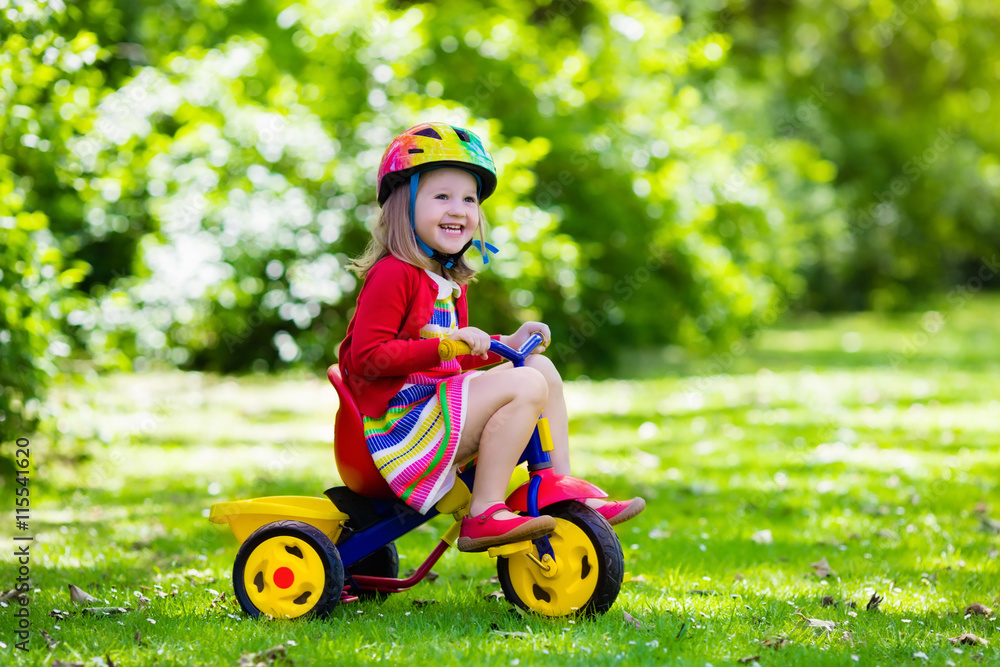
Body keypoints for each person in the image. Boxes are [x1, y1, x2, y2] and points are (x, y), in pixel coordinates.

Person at [338, 122, 644, 552]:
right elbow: (366, 357)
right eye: (441, 196)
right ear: (401, 206)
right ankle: (483, 512)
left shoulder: (446, 280)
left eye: (469, 199)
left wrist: (507, 341)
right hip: (398, 431)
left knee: (539, 367)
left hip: (434, 413)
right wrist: (448, 344)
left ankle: (557, 485)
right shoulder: (393, 274)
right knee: (525, 383)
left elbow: (456, 358)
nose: (459, 209)